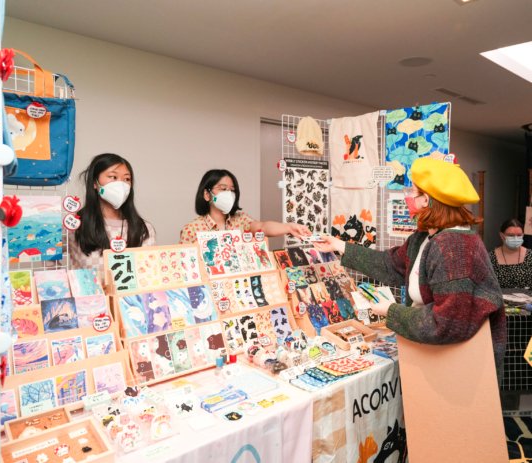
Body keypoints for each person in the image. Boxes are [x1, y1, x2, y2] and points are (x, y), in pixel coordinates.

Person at [314, 157, 506, 376]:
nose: (407, 197)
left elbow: (447, 323)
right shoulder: (425, 237)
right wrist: (339, 245)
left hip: (458, 368)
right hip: (434, 355)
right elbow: (391, 265)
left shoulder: (454, 247)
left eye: (413, 191)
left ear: (426, 200)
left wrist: (391, 311)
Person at [69, 153, 155, 282]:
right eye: (113, 177)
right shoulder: (75, 223)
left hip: (131, 295)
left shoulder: (143, 229)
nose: (121, 184)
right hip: (89, 295)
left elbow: (148, 275)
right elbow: (51, 259)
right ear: (95, 183)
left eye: (127, 179)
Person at [179, 169, 311, 243]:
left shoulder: (241, 219)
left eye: (232, 190)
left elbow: (263, 227)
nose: (228, 194)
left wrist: (288, 227)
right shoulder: (191, 229)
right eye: (223, 189)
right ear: (207, 194)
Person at [489, 218, 532, 289]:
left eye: (519, 235)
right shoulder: (490, 258)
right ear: (502, 235)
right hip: (498, 296)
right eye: (511, 235)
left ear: (523, 235)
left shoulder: (530, 256)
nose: (515, 238)